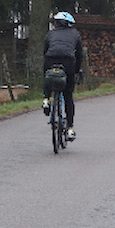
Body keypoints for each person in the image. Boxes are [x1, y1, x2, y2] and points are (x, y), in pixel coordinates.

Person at [42, 11, 83, 140]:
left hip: (51, 60)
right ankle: (70, 129)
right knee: (68, 95)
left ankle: (46, 99)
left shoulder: (50, 33)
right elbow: (79, 55)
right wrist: (77, 70)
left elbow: (45, 50)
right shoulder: (75, 34)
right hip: (68, 63)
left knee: (48, 76)